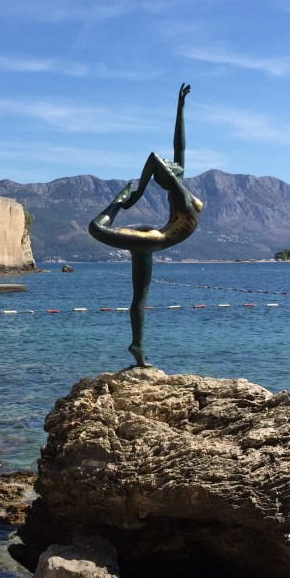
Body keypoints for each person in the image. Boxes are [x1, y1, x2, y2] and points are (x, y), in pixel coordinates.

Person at [89, 83, 203, 367]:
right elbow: (155, 158)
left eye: (170, 163)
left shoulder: (180, 191)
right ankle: (117, 201)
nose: (169, 161)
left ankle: (137, 346)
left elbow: (180, 146)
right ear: (170, 175)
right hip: (152, 238)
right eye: (169, 165)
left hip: (153, 239)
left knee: (140, 297)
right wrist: (132, 195)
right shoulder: (179, 194)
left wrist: (180, 107)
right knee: (96, 228)